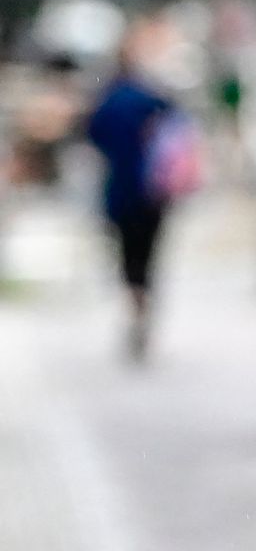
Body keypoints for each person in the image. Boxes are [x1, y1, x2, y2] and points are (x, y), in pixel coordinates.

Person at [84, 25, 182, 363]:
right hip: (154, 191)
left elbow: (92, 137)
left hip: (121, 192)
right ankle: (144, 307)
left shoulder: (107, 101)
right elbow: (179, 131)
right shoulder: (153, 99)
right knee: (149, 256)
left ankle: (135, 305)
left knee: (128, 258)